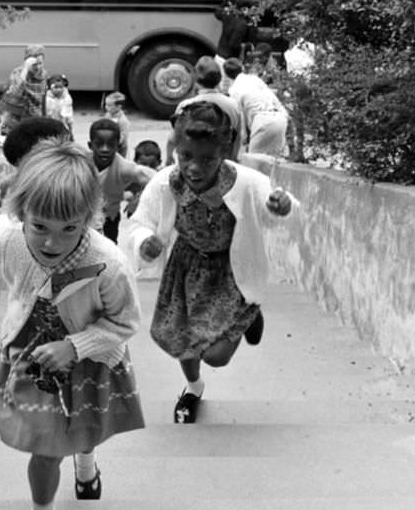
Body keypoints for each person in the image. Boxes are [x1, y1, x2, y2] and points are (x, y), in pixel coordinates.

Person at [0, 141, 144, 510]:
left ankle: (86, 466)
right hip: (29, 358)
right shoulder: (11, 238)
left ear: (90, 217)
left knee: (85, 430)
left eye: (69, 228)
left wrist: (75, 346)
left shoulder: (108, 263)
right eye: (40, 227)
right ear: (21, 214)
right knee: (47, 448)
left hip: (88, 359)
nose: (53, 242)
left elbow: (125, 322)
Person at [127, 101, 296, 425]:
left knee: (215, 356)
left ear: (225, 152)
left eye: (207, 159)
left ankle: (248, 315)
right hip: (185, 268)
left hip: (230, 271)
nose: (193, 167)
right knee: (181, 339)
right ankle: (193, 389)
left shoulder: (246, 181)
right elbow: (140, 222)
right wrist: (144, 242)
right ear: (176, 149)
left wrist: (282, 206)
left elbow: (274, 210)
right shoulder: (166, 182)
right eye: (186, 156)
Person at [164, 56, 243, 164]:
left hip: (194, 163)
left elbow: (173, 138)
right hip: (222, 161)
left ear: (196, 78)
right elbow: (238, 138)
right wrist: (232, 160)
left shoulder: (186, 105)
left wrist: (169, 157)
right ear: (219, 78)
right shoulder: (233, 105)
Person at [88, 119, 154, 243]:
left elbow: (153, 179)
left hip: (109, 218)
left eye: (110, 144)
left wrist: (138, 198)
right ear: (90, 145)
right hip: (84, 215)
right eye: (99, 144)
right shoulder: (82, 162)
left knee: (109, 247)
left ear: (118, 146)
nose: (105, 149)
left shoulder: (125, 168)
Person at [223, 57, 289, 157]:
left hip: (262, 121)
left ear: (226, 75)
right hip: (280, 117)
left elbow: (241, 123)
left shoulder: (234, 90)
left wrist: (241, 143)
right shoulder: (255, 79)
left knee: (253, 164)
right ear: (242, 68)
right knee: (275, 161)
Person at [0, 45, 47, 135]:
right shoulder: (17, 73)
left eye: (40, 63)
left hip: (34, 117)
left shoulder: (43, 74)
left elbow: (43, 97)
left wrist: (44, 118)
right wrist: (25, 70)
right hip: (15, 117)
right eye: (34, 65)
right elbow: (16, 92)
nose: (38, 67)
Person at [102, 91, 130, 157]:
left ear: (119, 107)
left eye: (109, 105)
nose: (106, 107)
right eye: (105, 104)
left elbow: (123, 136)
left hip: (119, 148)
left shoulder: (123, 121)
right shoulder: (108, 115)